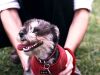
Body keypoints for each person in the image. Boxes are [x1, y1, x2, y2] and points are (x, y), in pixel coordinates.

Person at [0, 0, 93, 74]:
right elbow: (6, 7)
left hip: (60, 18)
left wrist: (68, 53)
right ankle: (24, 51)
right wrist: (25, 61)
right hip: (23, 12)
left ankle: (61, 47)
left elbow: (82, 11)